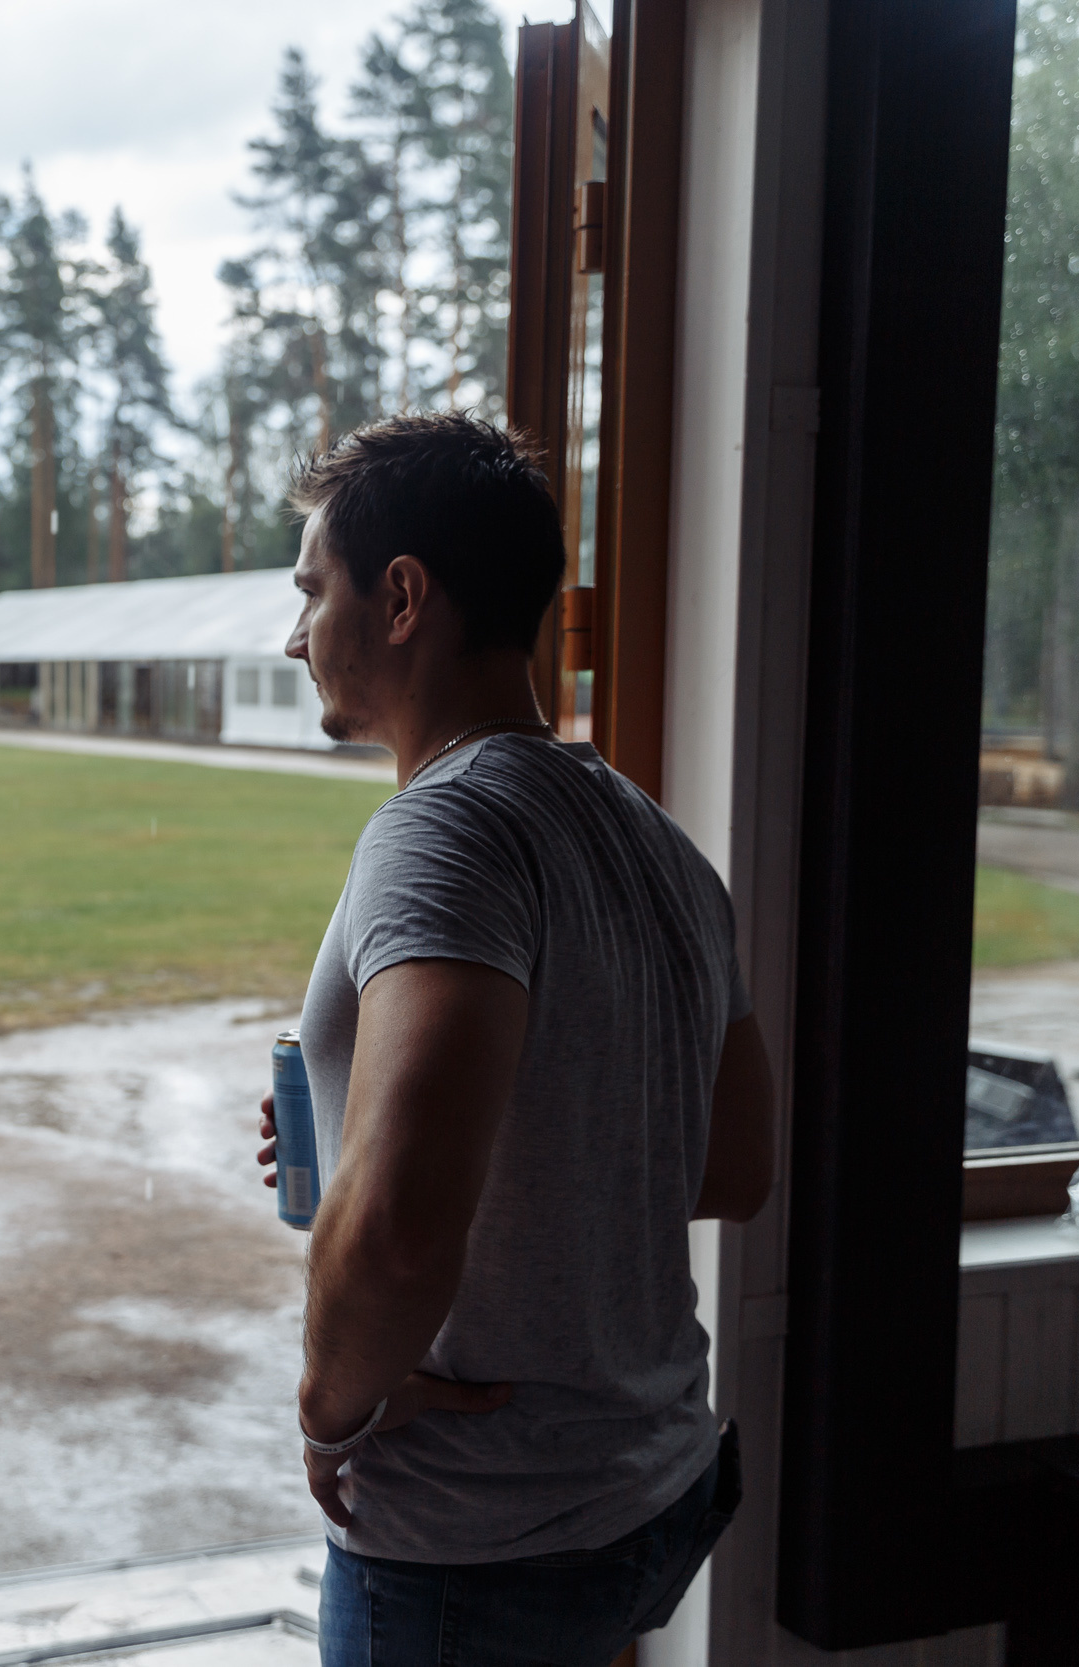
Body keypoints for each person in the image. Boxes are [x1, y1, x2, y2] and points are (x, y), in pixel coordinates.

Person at [255, 413, 774, 1666]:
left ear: (400, 598)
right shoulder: (658, 840)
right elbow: (728, 1163)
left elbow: (394, 1234)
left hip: (477, 1533)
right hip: (647, 1487)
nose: (292, 634)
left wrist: (332, 1410)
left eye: (310, 591)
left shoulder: (441, 831)